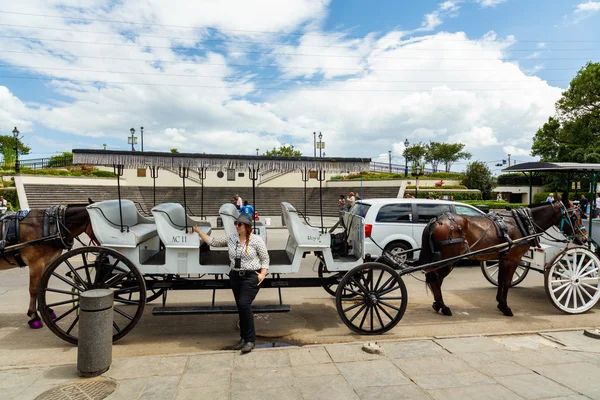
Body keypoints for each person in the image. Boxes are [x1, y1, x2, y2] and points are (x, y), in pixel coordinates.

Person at [191, 213, 269, 353]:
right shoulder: (232, 238)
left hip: (250, 277)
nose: (237, 226)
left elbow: (265, 258)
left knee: (245, 305)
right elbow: (212, 242)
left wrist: (262, 274)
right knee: (240, 307)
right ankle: (243, 338)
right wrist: (198, 231)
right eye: (236, 224)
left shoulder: (256, 240)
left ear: (246, 226)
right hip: (235, 276)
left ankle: (250, 340)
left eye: (239, 224)